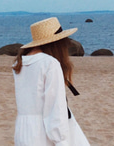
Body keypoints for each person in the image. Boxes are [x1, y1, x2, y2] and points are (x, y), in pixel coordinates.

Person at [12, 17, 90, 146]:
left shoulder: (19, 63)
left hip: (23, 130)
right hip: (44, 133)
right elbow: (54, 107)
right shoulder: (49, 63)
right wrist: (61, 140)